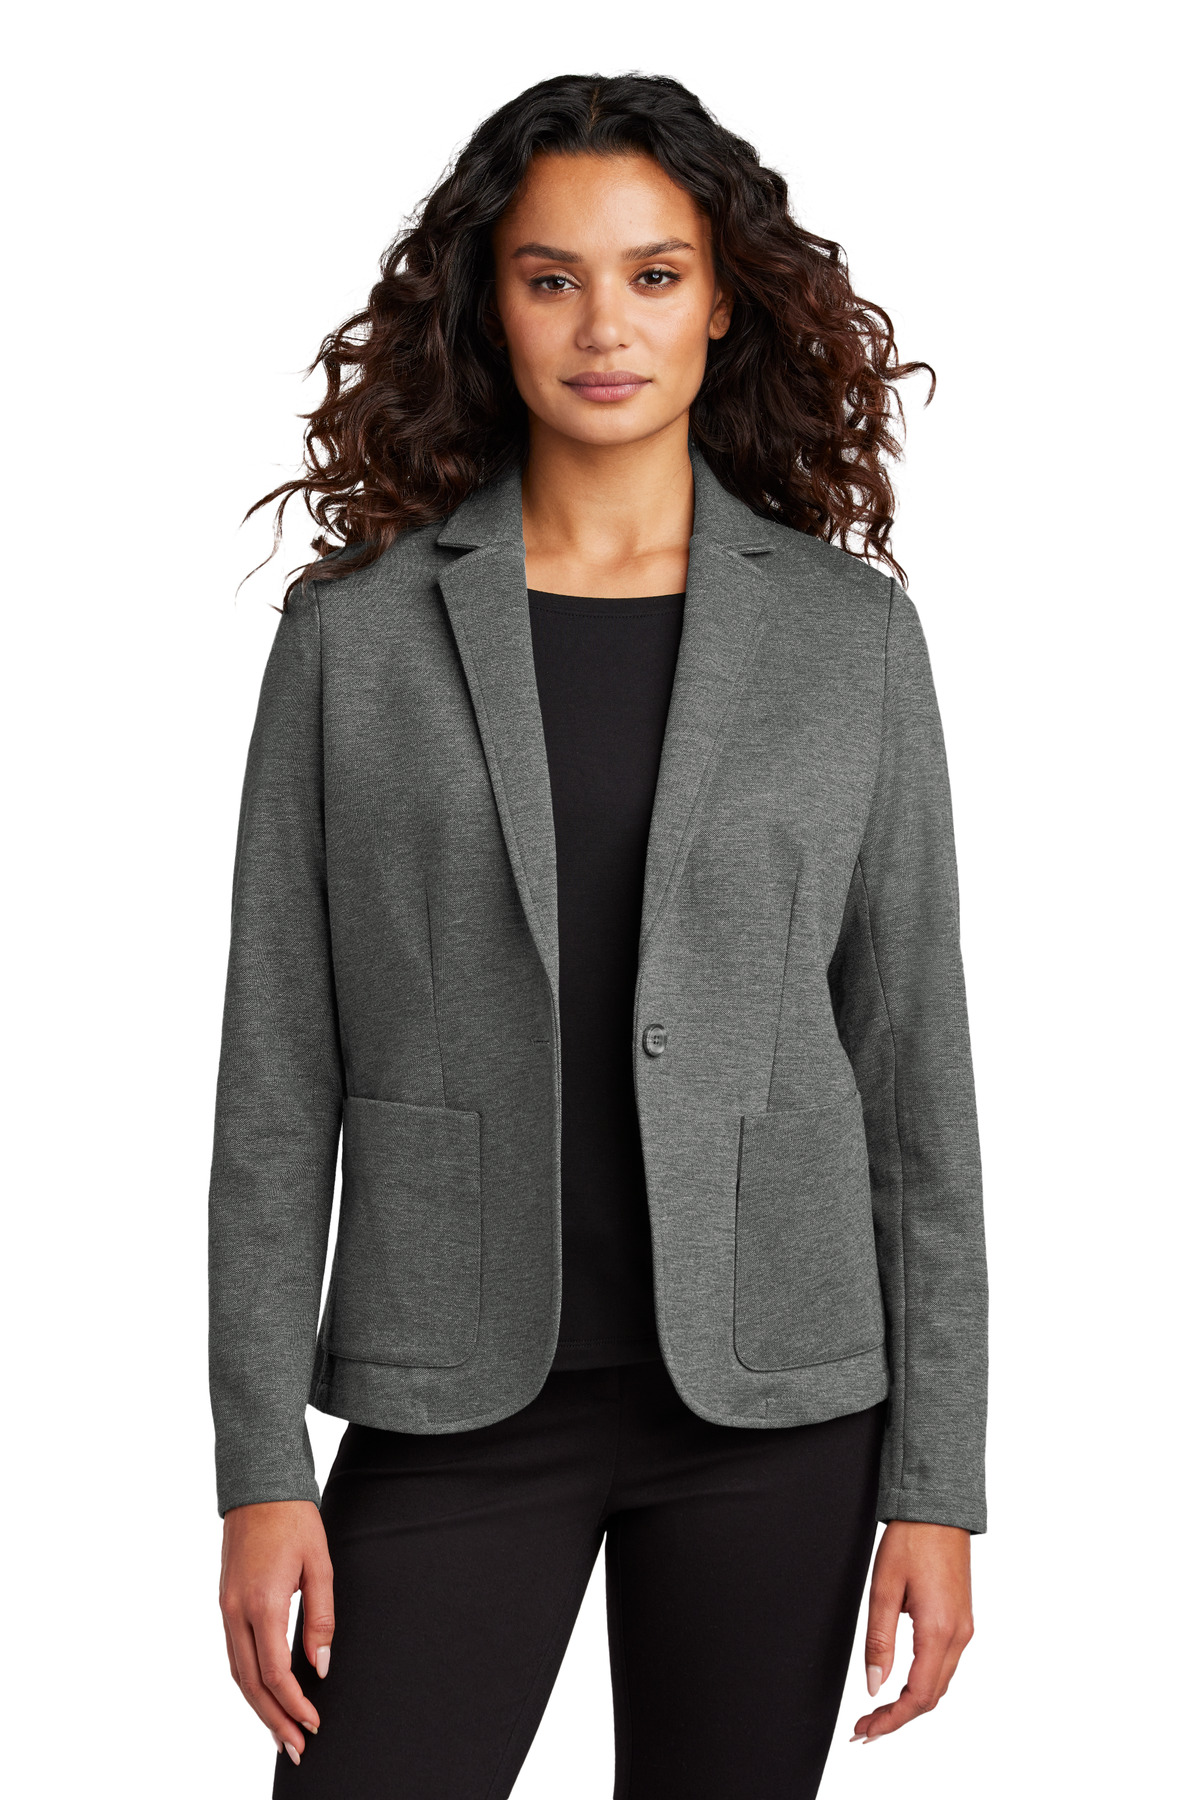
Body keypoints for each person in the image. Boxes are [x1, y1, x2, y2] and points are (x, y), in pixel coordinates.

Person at [209, 71, 988, 1800]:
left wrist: (938, 1481)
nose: (604, 326)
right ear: (490, 305)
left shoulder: (849, 639)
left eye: (653, 274)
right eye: (552, 277)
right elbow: (275, 1077)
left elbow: (913, 1082)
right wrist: (259, 1464)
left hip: (780, 1404)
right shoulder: (356, 638)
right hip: (453, 1388)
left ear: (721, 302)